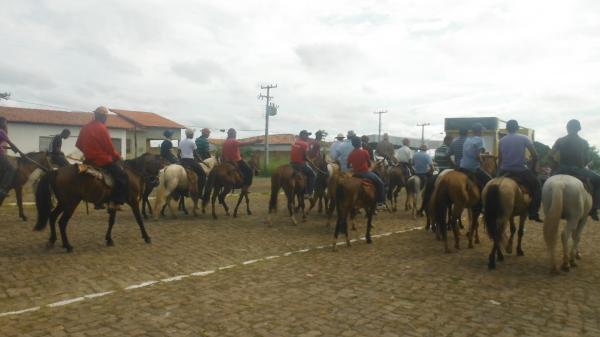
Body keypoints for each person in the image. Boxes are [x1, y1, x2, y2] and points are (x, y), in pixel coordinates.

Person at [76, 106, 128, 208]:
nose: (106, 119)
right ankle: (115, 202)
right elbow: (109, 147)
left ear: (95, 115)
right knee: (122, 176)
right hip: (102, 160)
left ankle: (98, 201)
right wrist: (118, 157)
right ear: (103, 117)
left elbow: (79, 144)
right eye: (106, 117)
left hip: (88, 161)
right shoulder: (102, 128)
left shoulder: (85, 127)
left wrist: (88, 153)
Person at [549, 119, 600, 220]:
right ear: (579, 129)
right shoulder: (584, 142)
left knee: (548, 182)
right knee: (598, 180)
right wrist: (582, 163)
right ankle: (594, 209)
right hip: (578, 169)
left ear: (567, 128)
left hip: (562, 169)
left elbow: (550, 155)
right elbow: (587, 158)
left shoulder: (560, 140)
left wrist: (555, 165)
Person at [498, 119, 542, 222]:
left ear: (507, 129)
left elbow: (500, 158)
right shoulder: (524, 138)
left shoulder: (502, 140)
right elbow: (535, 156)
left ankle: (485, 207)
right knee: (537, 187)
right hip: (520, 170)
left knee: (491, 184)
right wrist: (532, 168)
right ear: (517, 128)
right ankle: (533, 212)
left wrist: (498, 173)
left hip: (504, 170)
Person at [347, 136, 385, 206]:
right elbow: (369, 164)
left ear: (353, 144)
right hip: (365, 173)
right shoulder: (365, 152)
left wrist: (354, 166)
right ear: (360, 143)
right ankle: (381, 202)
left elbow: (348, 166)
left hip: (355, 174)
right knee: (381, 183)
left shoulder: (350, 154)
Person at [459, 123, 491, 189]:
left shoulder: (467, 140)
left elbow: (472, 153)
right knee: (490, 181)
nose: (483, 132)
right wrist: (482, 162)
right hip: (473, 167)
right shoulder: (479, 139)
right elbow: (477, 156)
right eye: (482, 130)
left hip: (462, 166)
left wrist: (483, 155)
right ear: (479, 131)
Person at [290, 130, 316, 198]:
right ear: (302, 135)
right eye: (306, 135)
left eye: (308, 135)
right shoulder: (305, 144)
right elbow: (306, 156)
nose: (307, 137)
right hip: (300, 165)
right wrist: (310, 161)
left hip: (292, 164)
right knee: (312, 175)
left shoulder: (294, 142)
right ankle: (309, 193)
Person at [179, 128, 205, 192]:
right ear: (190, 134)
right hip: (190, 161)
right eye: (193, 134)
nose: (193, 135)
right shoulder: (192, 142)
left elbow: (178, 153)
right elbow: (195, 154)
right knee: (203, 174)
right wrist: (201, 160)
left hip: (182, 161)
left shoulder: (181, 142)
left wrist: (181, 160)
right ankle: (199, 191)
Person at [0, 117, 18, 204]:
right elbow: (10, 143)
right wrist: (17, 150)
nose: (7, 125)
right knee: (11, 169)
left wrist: (9, 148)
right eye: (6, 123)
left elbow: (3, 145)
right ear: (2, 123)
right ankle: (2, 189)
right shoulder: (1, 131)